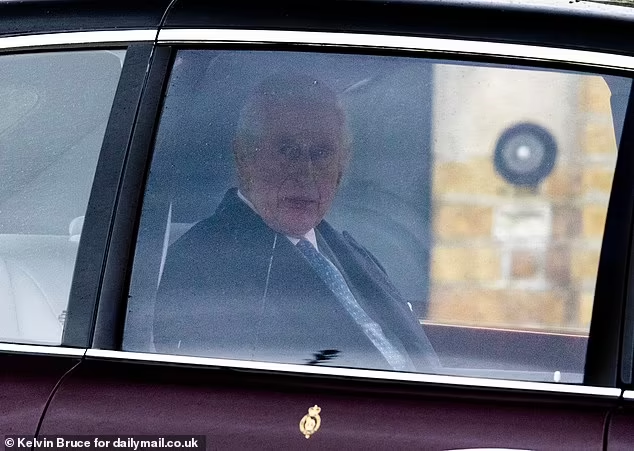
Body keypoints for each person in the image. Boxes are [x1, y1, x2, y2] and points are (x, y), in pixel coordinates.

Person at [154, 73, 438, 372]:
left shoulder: (350, 253)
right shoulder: (204, 264)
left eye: (321, 153)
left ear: (341, 166)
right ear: (244, 157)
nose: (306, 173)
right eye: (287, 151)